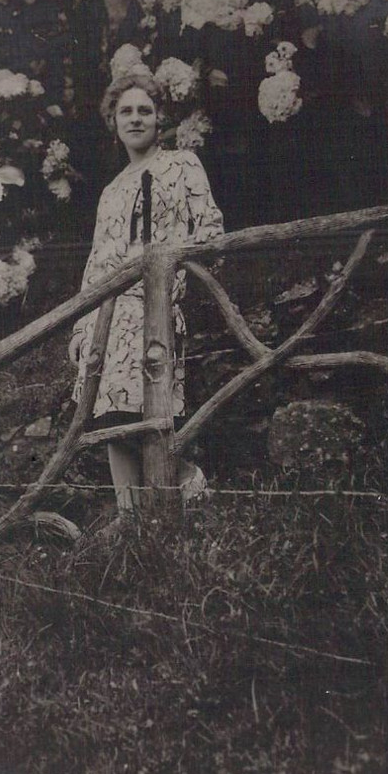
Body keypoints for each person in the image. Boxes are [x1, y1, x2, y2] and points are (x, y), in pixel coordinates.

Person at [69, 71, 224, 515]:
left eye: (144, 111)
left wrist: (175, 272)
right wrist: (81, 329)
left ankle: (186, 494)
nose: (135, 119)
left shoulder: (182, 165)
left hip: (153, 309)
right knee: (109, 416)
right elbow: (97, 265)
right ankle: (129, 520)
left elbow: (211, 232)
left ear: (159, 119)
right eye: (125, 112)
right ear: (113, 122)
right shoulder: (110, 191)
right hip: (106, 316)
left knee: (146, 414)